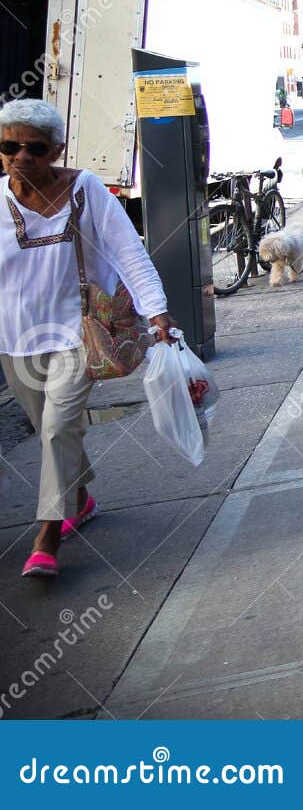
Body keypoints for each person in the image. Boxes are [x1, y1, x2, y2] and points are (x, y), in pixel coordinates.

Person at [1, 99, 178, 580]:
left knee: (59, 428)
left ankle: (46, 536)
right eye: (9, 146)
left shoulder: (85, 190)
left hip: (79, 334)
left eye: (34, 148)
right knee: (52, 430)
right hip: (14, 339)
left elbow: (128, 252)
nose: (21, 156)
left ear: (56, 149)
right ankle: (78, 497)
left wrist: (156, 311)